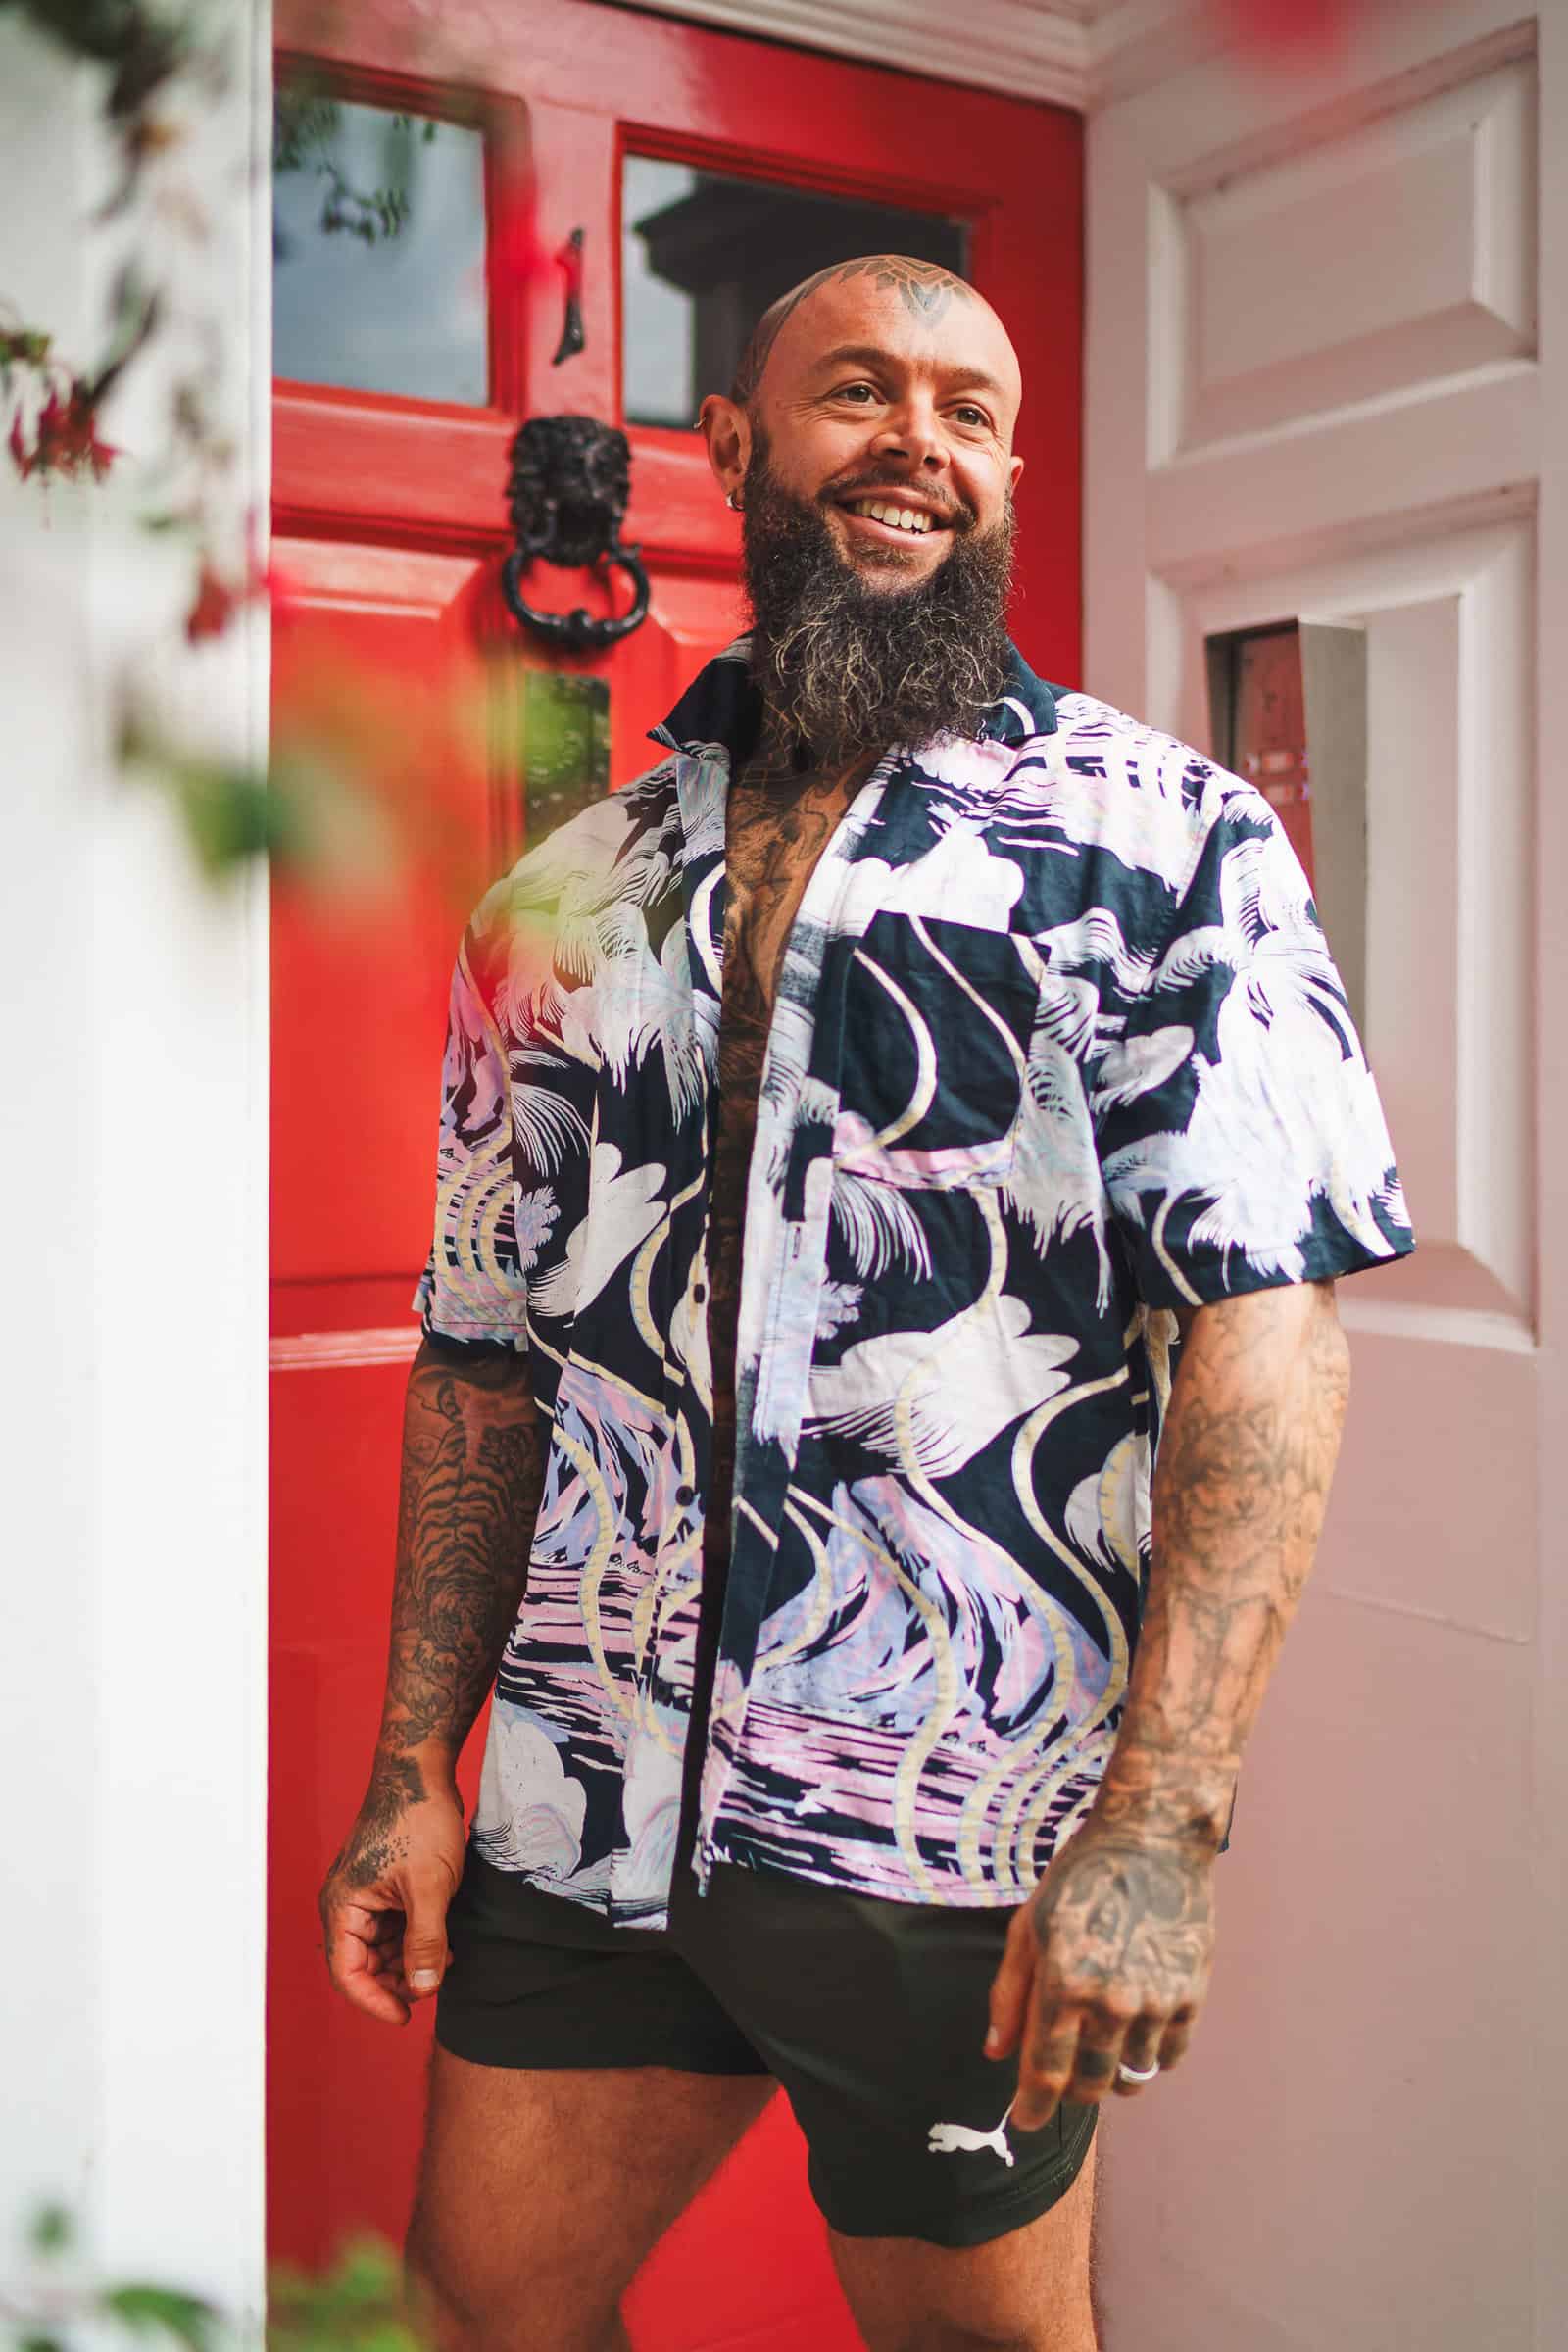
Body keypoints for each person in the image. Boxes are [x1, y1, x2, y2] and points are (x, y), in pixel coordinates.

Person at [319, 254, 1413, 2352]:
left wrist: (1162, 1825)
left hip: (941, 1818)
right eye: (856, 391)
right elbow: (480, 1361)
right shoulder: (558, 898)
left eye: (969, 411)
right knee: (478, 2309)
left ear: (1003, 472)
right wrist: (410, 1761)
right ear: (728, 448)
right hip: (589, 1787)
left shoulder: (1160, 844)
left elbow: (1266, 1331)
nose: (920, 442)